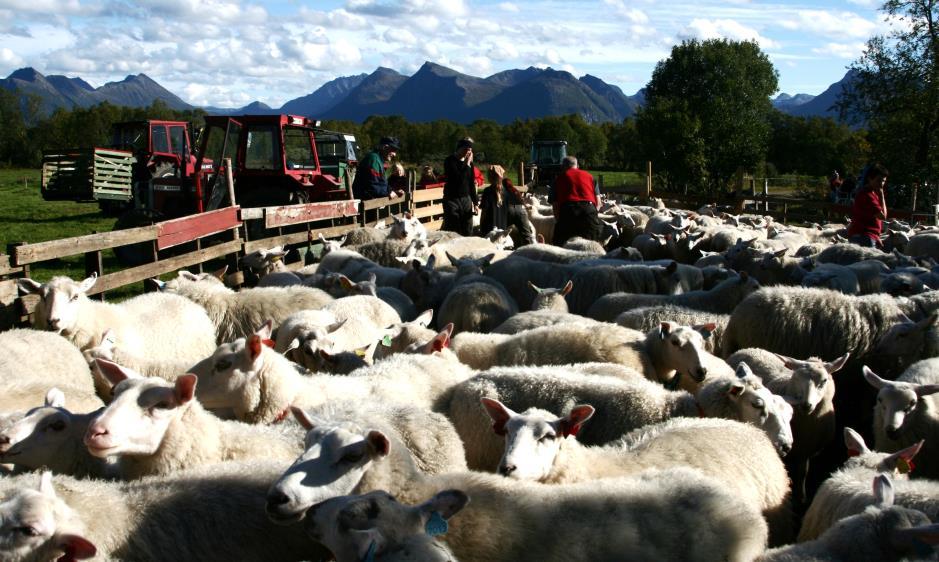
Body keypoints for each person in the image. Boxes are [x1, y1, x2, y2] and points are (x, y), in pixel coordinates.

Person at [551, 155, 603, 247]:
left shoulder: (558, 179)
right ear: (577, 165)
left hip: (568, 211)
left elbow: (555, 206)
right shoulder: (590, 177)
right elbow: (598, 203)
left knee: (561, 246)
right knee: (592, 247)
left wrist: (560, 223)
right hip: (589, 210)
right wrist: (592, 216)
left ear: (563, 167)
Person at [479, 165, 535, 246]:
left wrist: (482, 228)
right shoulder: (507, 187)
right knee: (527, 238)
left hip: (508, 214)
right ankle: (530, 252)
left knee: (496, 239)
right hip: (520, 211)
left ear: (490, 177)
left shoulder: (488, 191)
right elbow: (519, 201)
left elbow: (484, 212)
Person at [442, 137, 479, 235]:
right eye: (466, 149)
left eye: (470, 150)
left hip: (466, 199)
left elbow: (471, 182)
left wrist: (475, 202)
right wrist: (466, 164)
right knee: (454, 229)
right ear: (459, 149)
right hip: (452, 199)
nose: (468, 152)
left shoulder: (470, 163)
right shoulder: (450, 161)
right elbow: (458, 180)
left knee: (467, 228)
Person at [847, 163, 889, 248]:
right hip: (864, 237)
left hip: (864, 237)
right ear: (870, 178)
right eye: (878, 180)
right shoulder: (867, 195)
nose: (881, 184)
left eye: (883, 181)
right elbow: (882, 216)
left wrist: (876, 236)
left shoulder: (870, 193)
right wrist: (881, 195)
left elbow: (870, 219)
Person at [352, 136, 401, 200]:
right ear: (385, 147)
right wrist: (388, 193)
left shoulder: (378, 160)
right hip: (365, 205)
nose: (395, 154)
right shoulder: (373, 159)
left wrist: (392, 191)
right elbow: (372, 187)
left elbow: (381, 184)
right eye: (393, 150)